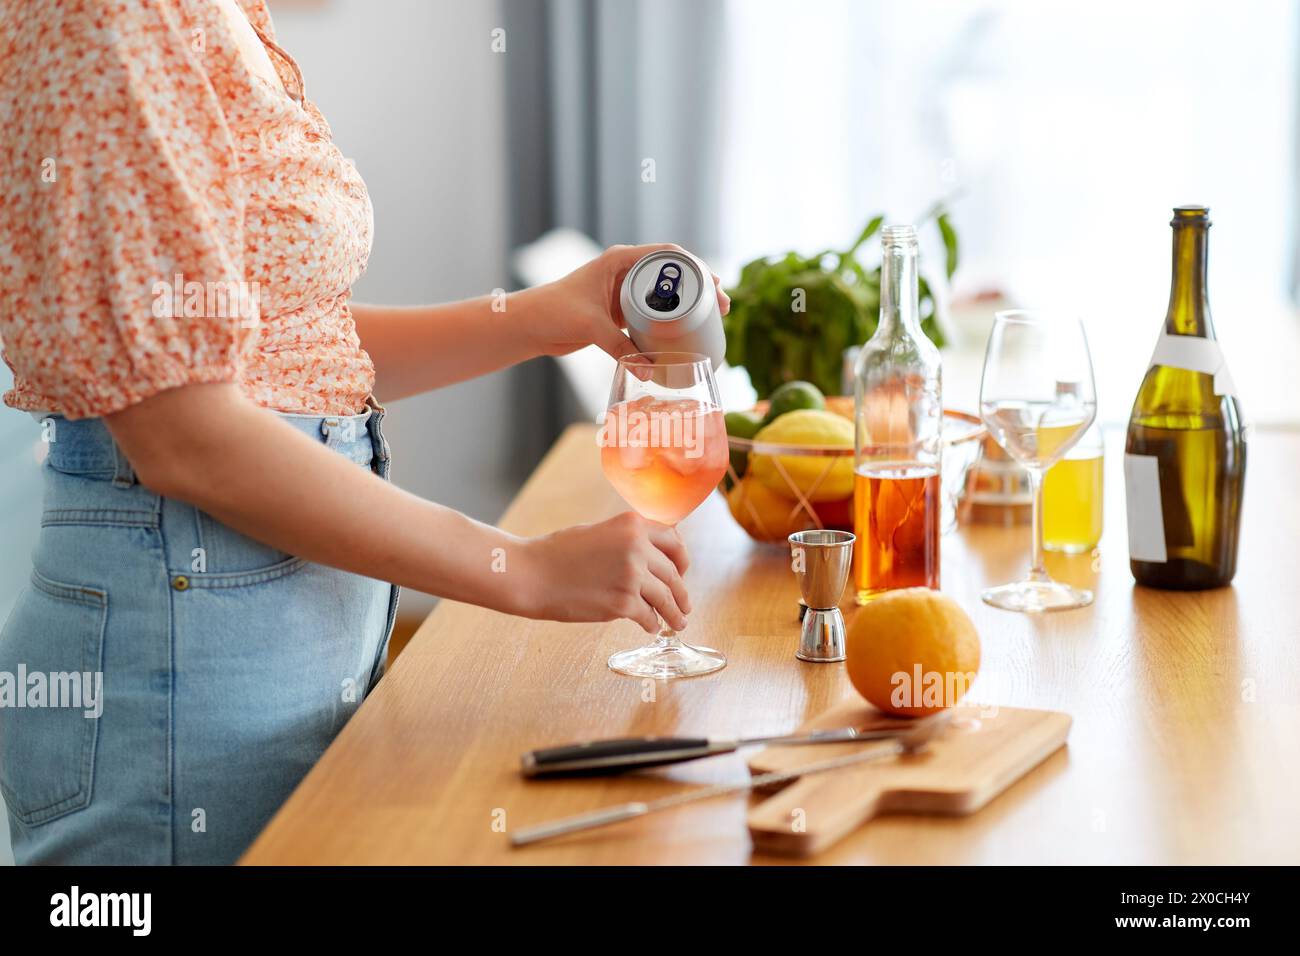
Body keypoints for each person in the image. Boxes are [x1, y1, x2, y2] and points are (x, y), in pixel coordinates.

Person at [0, 0, 728, 864]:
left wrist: (538, 318)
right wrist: (522, 569)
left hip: (254, 656)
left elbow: (290, 352)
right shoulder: (108, 12)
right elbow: (182, 430)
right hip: (179, 678)